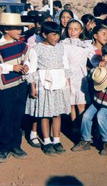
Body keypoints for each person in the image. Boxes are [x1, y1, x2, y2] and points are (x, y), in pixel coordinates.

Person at [25, 21, 71, 155]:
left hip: (59, 83)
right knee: (45, 114)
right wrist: (32, 87)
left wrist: (67, 84)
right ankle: (46, 141)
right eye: (53, 35)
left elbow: (66, 66)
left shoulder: (61, 47)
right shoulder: (36, 49)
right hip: (44, 85)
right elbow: (32, 70)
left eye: (58, 35)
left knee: (57, 114)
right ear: (44, 34)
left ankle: (56, 139)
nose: (56, 38)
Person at [0, 13, 31, 163]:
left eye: (20, 28)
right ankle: (4, 147)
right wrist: (12, 67)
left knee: (18, 115)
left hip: (21, 84)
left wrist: (26, 67)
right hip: (6, 88)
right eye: (16, 28)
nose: (20, 31)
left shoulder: (22, 44)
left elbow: (30, 59)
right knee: (5, 116)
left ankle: (15, 145)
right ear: (6, 29)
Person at [71, 58, 107, 156]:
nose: (106, 58)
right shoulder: (101, 67)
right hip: (98, 100)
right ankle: (85, 140)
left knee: (101, 116)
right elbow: (91, 75)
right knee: (86, 116)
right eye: (105, 56)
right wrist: (98, 68)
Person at [62, 19, 91, 139]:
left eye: (75, 29)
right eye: (70, 28)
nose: (72, 31)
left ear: (81, 30)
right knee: (71, 104)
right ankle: (74, 127)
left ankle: (83, 129)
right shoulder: (63, 44)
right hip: (67, 76)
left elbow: (93, 59)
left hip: (80, 77)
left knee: (81, 104)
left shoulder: (85, 45)